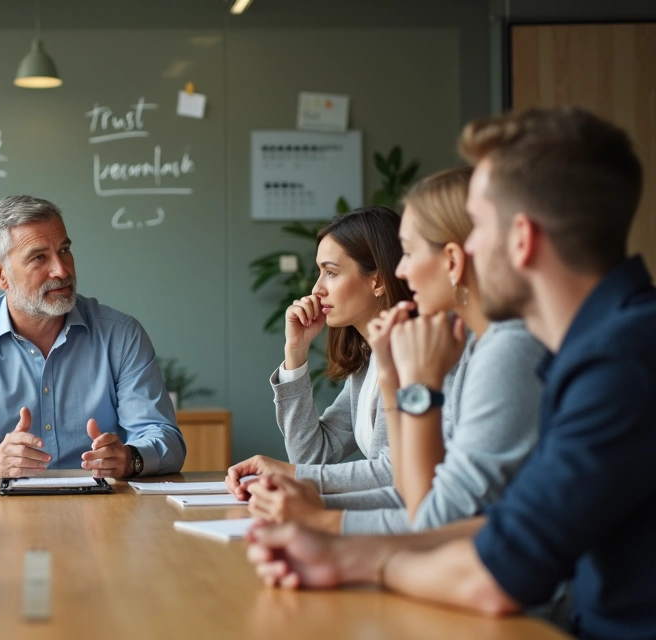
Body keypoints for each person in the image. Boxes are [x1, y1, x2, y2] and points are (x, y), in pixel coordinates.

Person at [245, 106, 656, 640]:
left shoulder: (619, 359)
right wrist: (336, 539)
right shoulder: (606, 343)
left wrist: (345, 552)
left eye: (478, 226)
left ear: (521, 239)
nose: (464, 250)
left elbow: (497, 569)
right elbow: (498, 526)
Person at [244, 168, 545, 534]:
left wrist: (316, 508)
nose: (401, 269)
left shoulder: (477, 351)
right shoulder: (375, 359)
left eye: (331, 273)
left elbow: (428, 495)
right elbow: (410, 493)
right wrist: (296, 352)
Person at [0, 195, 186, 481]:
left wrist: (130, 459)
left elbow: (166, 440)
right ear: (0, 275)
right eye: (39, 257)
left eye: (64, 250)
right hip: (0, 513)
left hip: (102, 510)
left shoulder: (121, 336)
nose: (62, 271)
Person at [225, 207, 411, 500]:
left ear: (378, 281)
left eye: (331, 273)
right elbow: (313, 455)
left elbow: (396, 473)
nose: (316, 289)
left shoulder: (415, 356)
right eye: (320, 272)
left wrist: (289, 475)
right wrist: (296, 351)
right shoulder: (369, 362)